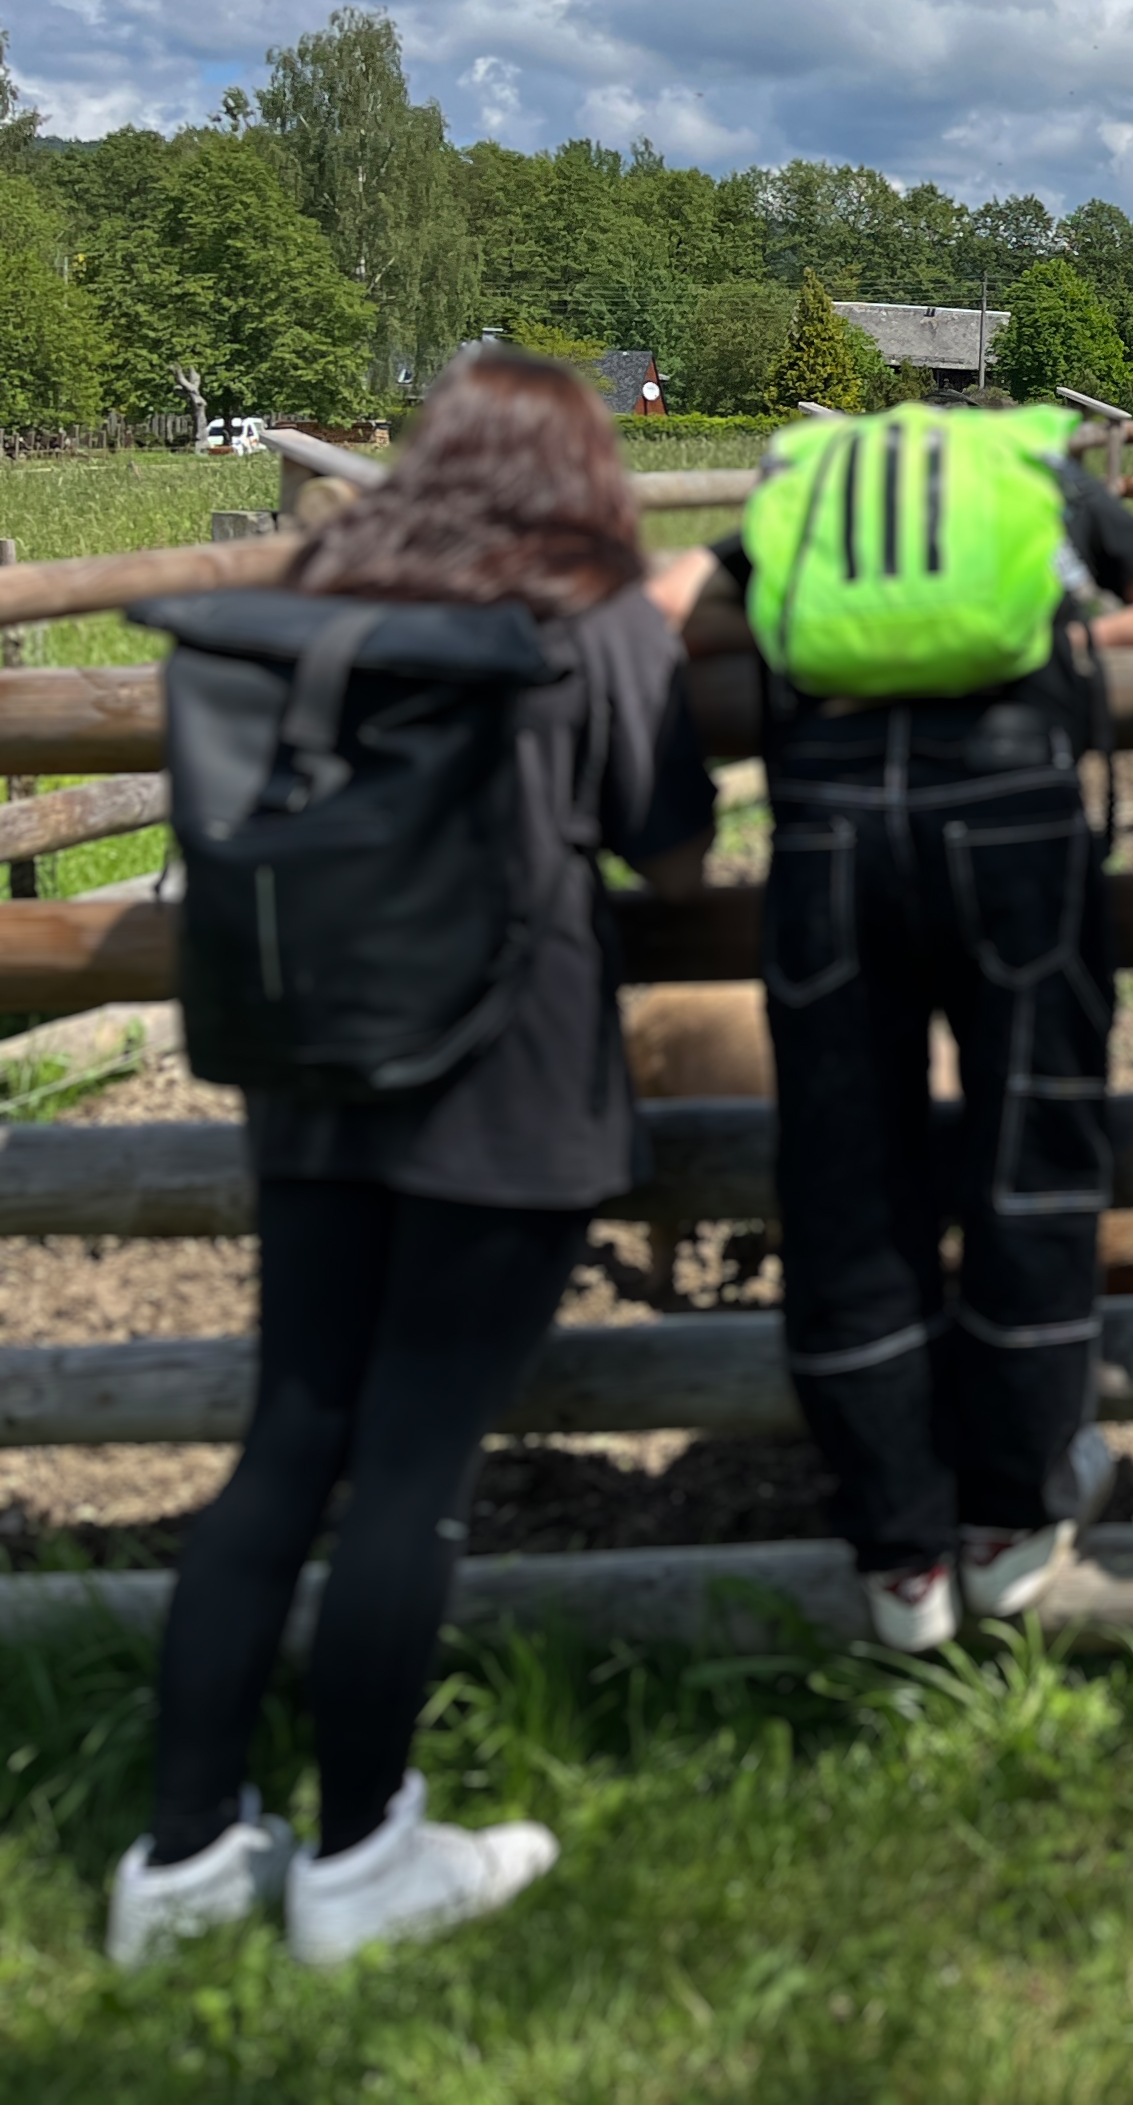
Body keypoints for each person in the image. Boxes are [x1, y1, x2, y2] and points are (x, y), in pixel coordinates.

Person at [110, 353, 714, 1970]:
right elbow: (672, 843)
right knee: (415, 1461)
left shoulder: (329, 588)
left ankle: (182, 1851)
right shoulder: (585, 614)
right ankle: (363, 1845)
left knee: (288, 1438)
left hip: (314, 1072)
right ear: (583, 471)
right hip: (502, 1088)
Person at [719, 393, 1133, 1652]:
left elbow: (681, 609)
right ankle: (1008, 1516)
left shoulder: (802, 479)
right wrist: (1083, 630)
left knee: (842, 1170)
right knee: (1030, 1158)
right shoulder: (1033, 469)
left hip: (826, 829)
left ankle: (898, 1551)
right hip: (1015, 818)